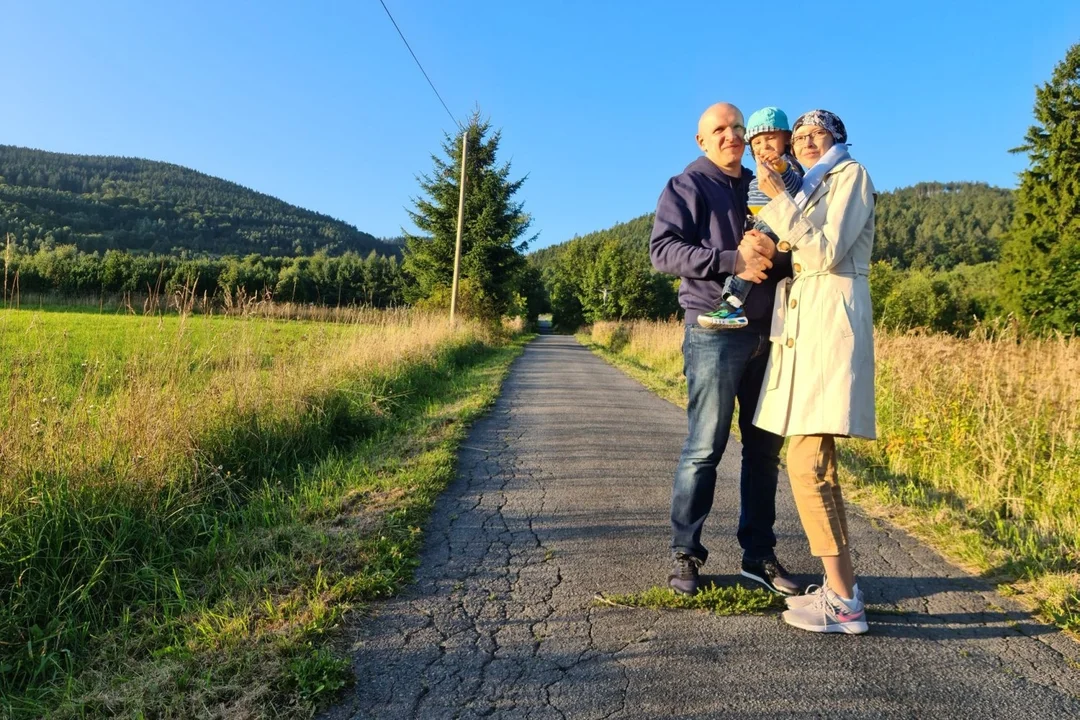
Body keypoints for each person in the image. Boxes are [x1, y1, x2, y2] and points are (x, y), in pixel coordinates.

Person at [649, 102, 800, 597]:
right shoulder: (687, 186)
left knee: (763, 452)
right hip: (713, 333)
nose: (732, 135)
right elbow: (663, 252)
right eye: (720, 129)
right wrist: (731, 258)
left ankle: (758, 557)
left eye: (739, 128)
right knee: (704, 449)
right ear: (702, 141)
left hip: (769, 334)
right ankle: (686, 553)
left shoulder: (767, 184)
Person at [749, 109, 876, 634]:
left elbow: (822, 251)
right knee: (811, 461)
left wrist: (777, 197)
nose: (803, 141)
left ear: (837, 138)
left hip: (829, 328)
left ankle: (844, 601)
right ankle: (841, 590)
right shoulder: (815, 184)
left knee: (807, 463)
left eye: (815, 134)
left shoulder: (851, 176)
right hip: (808, 330)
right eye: (798, 135)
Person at [699, 107, 804, 330]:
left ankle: (733, 302)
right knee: (747, 256)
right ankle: (732, 302)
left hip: (775, 220)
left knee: (749, 260)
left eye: (770, 139)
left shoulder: (786, 164)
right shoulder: (756, 171)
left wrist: (781, 166)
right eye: (756, 143)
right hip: (760, 221)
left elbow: (795, 186)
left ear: (786, 139)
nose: (763, 147)